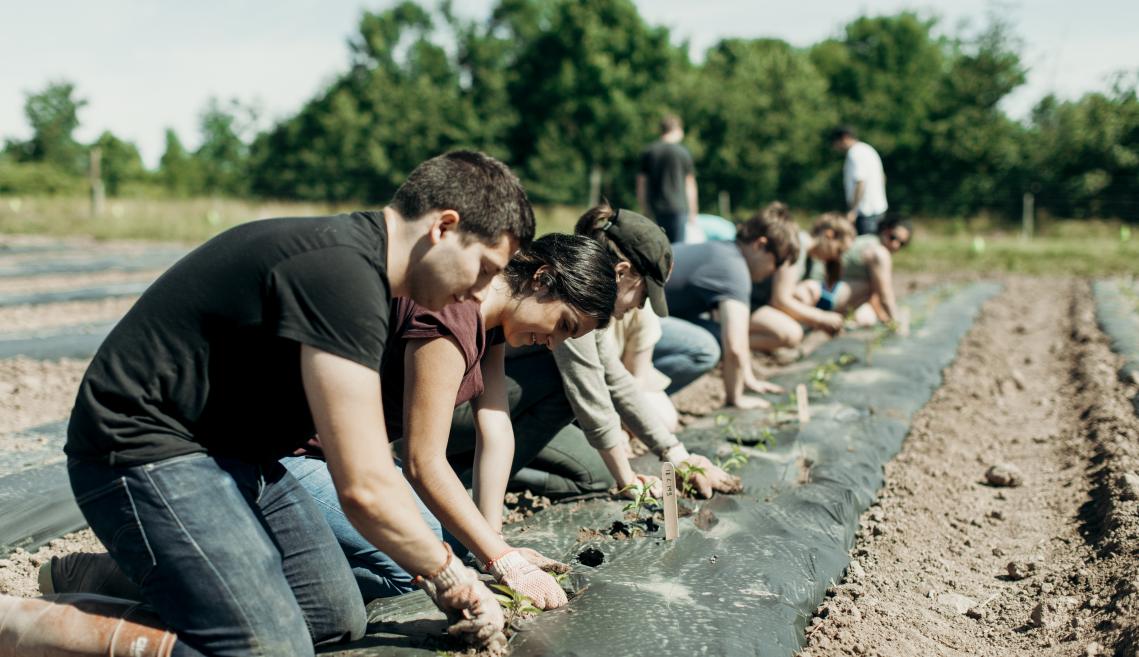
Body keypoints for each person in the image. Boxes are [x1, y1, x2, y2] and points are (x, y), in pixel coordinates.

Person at [4, 151, 534, 657]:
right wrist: (451, 575)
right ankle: (17, 629)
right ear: (443, 227)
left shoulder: (365, 274)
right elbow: (365, 485)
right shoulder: (341, 274)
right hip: (141, 448)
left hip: (233, 456)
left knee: (330, 617)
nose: (481, 291)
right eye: (485, 268)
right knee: (266, 650)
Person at [43, 235, 616, 614]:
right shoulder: (455, 315)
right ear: (541, 279)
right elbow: (424, 462)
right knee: (408, 574)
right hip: (302, 452)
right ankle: (129, 576)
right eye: (563, 324)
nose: (556, 342)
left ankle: (263, 573)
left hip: (340, 457)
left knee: (423, 564)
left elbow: (496, 430)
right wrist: (496, 559)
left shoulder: (494, 328)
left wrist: (493, 546)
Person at [658, 208, 800, 409]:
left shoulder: (725, 251)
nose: (773, 272)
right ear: (760, 245)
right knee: (705, 349)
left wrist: (748, 378)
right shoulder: (734, 269)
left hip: (645, 314)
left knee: (716, 335)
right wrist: (736, 398)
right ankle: (639, 395)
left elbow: (737, 338)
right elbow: (734, 345)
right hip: (628, 317)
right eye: (777, 263)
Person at [749, 211, 855, 354]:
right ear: (829, 235)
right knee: (792, 334)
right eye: (839, 250)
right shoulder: (797, 246)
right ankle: (727, 340)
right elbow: (780, 300)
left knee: (810, 290)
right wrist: (821, 318)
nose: (836, 257)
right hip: (751, 303)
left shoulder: (810, 257)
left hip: (762, 303)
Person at [802, 214, 913, 330]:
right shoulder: (879, 253)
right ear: (885, 230)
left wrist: (884, 318)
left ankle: (845, 322)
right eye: (893, 237)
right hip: (819, 292)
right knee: (873, 293)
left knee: (868, 317)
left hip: (822, 288)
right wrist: (896, 325)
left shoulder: (868, 240)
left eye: (902, 243)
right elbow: (884, 294)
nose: (895, 245)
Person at [637, 114, 698, 243]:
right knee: (678, 250)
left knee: (658, 249)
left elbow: (641, 183)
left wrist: (644, 207)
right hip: (679, 208)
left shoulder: (649, 152)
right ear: (678, 130)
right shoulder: (683, 152)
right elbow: (690, 185)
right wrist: (693, 212)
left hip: (655, 208)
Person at [831, 126, 887, 235]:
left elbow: (860, 182)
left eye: (836, 142)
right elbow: (883, 177)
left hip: (865, 213)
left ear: (844, 138)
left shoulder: (854, 153)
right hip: (879, 209)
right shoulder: (868, 149)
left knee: (864, 247)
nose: (836, 147)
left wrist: (853, 210)